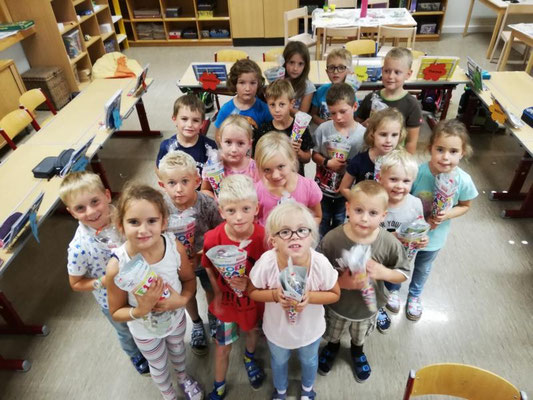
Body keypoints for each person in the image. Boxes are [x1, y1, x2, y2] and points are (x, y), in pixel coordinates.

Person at [106, 184, 203, 400]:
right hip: (144, 330)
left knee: (179, 352)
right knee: (157, 365)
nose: (143, 230)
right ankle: (168, 395)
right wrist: (141, 310)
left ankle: (183, 377)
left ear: (164, 222)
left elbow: (188, 279)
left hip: (176, 319)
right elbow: (116, 312)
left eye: (151, 221)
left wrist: (182, 300)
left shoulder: (173, 246)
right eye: (134, 222)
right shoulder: (117, 266)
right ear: (120, 225)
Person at [317, 181, 410, 382]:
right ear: (347, 208)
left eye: (373, 213)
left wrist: (385, 273)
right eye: (358, 210)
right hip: (337, 305)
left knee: (359, 336)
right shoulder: (332, 239)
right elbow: (317, 275)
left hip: (367, 309)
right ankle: (332, 346)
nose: (365, 218)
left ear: (383, 215)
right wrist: (341, 282)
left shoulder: (389, 243)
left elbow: (403, 274)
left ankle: (357, 351)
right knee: (333, 332)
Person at [59, 171, 149, 375]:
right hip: (111, 299)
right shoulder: (79, 247)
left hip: (140, 283)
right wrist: (104, 281)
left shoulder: (125, 216)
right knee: (124, 330)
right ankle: (134, 354)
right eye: (80, 208)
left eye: (95, 201)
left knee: (145, 317)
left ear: (107, 195)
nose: (91, 212)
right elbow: (76, 283)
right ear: (71, 213)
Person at [249, 202, 340, 400]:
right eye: (285, 232)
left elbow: (335, 293)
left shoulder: (320, 264)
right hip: (278, 331)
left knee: (309, 360)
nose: (294, 236)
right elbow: (252, 291)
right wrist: (274, 295)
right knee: (279, 361)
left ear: (311, 237)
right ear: (273, 241)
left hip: (310, 331)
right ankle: (280, 391)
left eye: (301, 230)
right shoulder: (267, 263)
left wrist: (310, 297)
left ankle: (307, 390)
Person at [201, 175, 267, 400]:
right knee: (222, 346)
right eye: (231, 210)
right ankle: (219, 384)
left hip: (252, 300)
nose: (239, 217)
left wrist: (251, 284)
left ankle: (249, 357)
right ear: (221, 211)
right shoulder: (212, 238)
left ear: (256, 208)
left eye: (245, 209)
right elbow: (208, 266)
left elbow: (269, 270)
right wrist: (218, 293)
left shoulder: (263, 238)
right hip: (227, 303)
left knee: (252, 331)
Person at [405, 119, 478, 321]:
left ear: (463, 152)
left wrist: (446, 214)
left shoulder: (463, 180)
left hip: (435, 237)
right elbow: (403, 199)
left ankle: (414, 295)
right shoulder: (418, 172)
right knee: (400, 261)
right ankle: (393, 290)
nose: (446, 157)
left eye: (453, 151)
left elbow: (465, 205)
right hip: (409, 233)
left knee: (423, 267)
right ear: (430, 148)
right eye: (440, 149)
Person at [157, 150, 223, 355]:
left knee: (210, 289)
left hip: (205, 259)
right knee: (187, 293)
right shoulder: (161, 208)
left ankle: (213, 317)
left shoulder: (207, 204)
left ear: (197, 180)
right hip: (177, 264)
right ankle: (196, 323)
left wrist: (203, 253)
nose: (179, 189)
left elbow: (219, 232)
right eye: (172, 183)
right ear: (162, 185)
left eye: (185, 181)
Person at [375, 149, 426, 332]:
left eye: (406, 181)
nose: (399, 186)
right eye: (393, 179)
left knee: (393, 280)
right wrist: (389, 237)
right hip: (375, 257)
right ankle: (377, 307)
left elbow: (419, 227)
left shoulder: (415, 204)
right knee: (373, 284)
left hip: (400, 258)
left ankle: (391, 293)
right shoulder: (374, 202)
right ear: (380, 178)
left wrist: (421, 239)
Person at [312, 83, 366, 237]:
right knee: (322, 221)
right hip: (322, 188)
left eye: (343, 111)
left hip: (347, 191)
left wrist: (348, 168)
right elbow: (314, 154)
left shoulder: (363, 135)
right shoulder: (323, 129)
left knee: (340, 222)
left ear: (354, 106)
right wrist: (327, 162)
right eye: (333, 113)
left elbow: (364, 163)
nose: (338, 117)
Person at [355, 47, 422, 154]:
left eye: (397, 72)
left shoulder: (412, 105)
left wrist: (405, 162)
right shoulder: (371, 98)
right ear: (382, 70)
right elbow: (355, 125)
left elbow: (411, 142)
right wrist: (364, 125)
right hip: (370, 154)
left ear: (408, 74)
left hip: (395, 158)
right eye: (387, 71)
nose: (390, 76)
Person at [254, 132, 322, 226]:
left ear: (292, 159)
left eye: (281, 166)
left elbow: (317, 216)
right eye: (267, 170)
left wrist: (302, 230)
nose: (275, 176)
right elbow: (255, 220)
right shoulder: (257, 191)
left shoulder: (309, 188)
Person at [339, 108, 406, 195]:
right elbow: (344, 188)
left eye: (394, 135)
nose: (388, 140)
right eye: (383, 134)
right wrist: (358, 201)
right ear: (372, 134)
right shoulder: (359, 160)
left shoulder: (402, 162)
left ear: (400, 135)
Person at [253, 79, 314, 175]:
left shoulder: (301, 128)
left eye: (281, 104)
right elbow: (257, 159)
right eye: (272, 105)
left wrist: (298, 152)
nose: (277, 109)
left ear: (292, 103)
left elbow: (307, 158)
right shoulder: (263, 131)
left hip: (295, 179)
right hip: (273, 178)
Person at [157, 94, 217, 179]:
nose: (189, 125)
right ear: (174, 119)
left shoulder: (210, 147)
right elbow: (159, 169)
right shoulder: (166, 147)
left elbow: (215, 174)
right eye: (184, 119)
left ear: (202, 123)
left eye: (195, 120)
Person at [214, 58, 271, 140]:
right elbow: (218, 136)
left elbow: (271, 135)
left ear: (258, 84)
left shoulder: (265, 109)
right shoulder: (226, 110)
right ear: (234, 84)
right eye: (242, 83)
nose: (248, 88)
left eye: (252, 83)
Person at [202, 115, 259, 196]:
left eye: (240, 143)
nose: (234, 149)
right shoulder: (213, 164)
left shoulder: (254, 168)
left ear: (249, 144)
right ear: (220, 141)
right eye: (228, 142)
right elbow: (205, 190)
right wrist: (214, 201)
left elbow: (261, 194)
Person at [310, 48, 353, 126]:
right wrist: (326, 125)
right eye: (331, 67)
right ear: (327, 71)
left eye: (341, 67)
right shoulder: (321, 91)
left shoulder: (351, 94)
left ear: (348, 71)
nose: (335, 72)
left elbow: (354, 119)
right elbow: (313, 115)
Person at [283, 41, 316, 113]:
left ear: (305, 66)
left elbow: (302, 115)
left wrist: (287, 107)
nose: (295, 68)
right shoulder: (279, 81)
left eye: (300, 64)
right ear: (284, 62)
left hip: (296, 120)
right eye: (291, 62)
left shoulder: (308, 87)